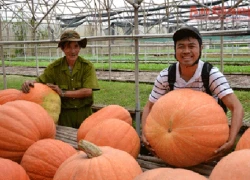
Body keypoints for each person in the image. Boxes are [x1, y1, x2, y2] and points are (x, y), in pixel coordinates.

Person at [141, 25, 244, 159]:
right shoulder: (166, 76)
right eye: (181, 46)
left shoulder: (210, 74)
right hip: (173, 145)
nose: (186, 51)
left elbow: (236, 107)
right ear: (175, 50)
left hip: (206, 142)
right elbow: (149, 106)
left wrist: (231, 141)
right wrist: (145, 133)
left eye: (191, 46)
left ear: (200, 48)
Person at [21, 30, 100, 128]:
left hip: (84, 113)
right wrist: (29, 82)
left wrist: (62, 93)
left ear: (80, 48)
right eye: (68, 47)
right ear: (62, 49)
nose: (73, 51)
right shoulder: (54, 68)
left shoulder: (87, 66)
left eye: (76, 46)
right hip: (64, 115)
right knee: (64, 141)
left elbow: (87, 91)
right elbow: (39, 82)